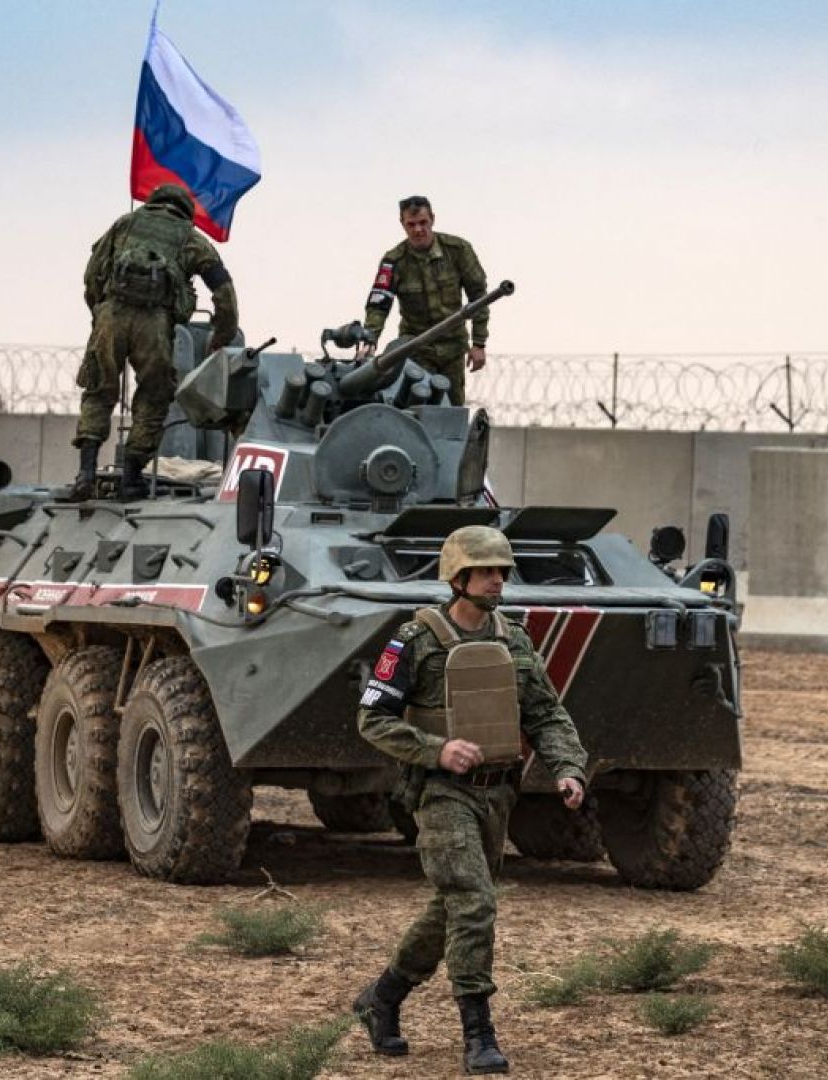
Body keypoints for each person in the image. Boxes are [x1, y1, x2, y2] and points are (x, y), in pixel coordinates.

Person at [353, 525, 588, 1075]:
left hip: (496, 795)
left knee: (455, 904)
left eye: (502, 571)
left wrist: (568, 767)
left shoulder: (515, 640)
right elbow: (372, 719)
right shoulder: (414, 640)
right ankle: (478, 1033)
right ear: (457, 577)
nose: (498, 580)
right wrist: (437, 750)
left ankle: (382, 998)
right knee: (475, 902)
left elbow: (546, 713)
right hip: (440, 793)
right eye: (486, 571)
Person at [69, 183, 239, 501]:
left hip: (111, 315)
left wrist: (99, 311)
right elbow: (224, 291)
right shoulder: (190, 238)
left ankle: (86, 473)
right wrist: (223, 334)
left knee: (98, 390)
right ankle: (132, 477)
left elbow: (93, 273)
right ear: (184, 210)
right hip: (155, 324)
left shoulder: (125, 223)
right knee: (154, 396)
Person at [358, 195, 490, 406]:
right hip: (416, 349)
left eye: (423, 223)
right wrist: (369, 340)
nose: (418, 230)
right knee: (415, 407)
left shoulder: (457, 251)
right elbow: (379, 304)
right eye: (411, 224)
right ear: (402, 224)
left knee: (451, 412)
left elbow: (479, 297)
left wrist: (479, 343)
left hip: (453, 349)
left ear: (432, 220)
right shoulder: (394, 260)